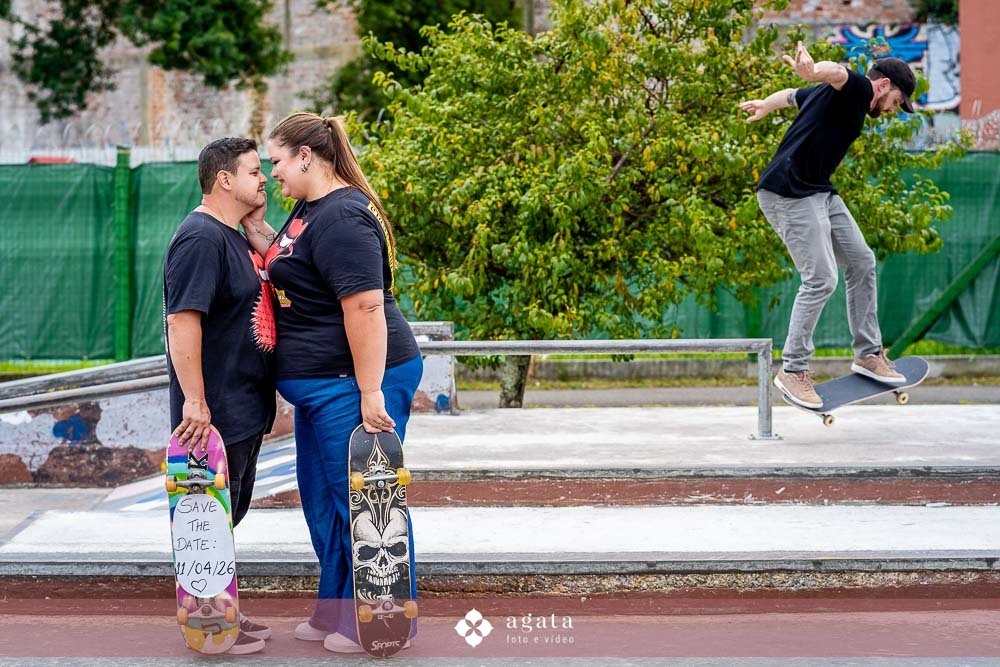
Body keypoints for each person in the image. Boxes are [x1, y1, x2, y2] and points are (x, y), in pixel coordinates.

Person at [240, 113, 422, 654]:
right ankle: (338, 606)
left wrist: (371, 393)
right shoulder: (309, 210)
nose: (271, 174)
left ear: (305, 156)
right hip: (322, 387)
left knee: (367, 503)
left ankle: (388, 621)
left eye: (275, 161)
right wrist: (254, 225)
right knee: (324, 502)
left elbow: (365, 306)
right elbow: (292, 262)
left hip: (359, 381)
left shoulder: (344, 216)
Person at [739, 42, 916, 408]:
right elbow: (837, 72)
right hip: (786, 193)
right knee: (821, 278)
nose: (893, 109)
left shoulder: (826, 96)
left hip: (818, 190)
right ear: (882, 86)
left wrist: (763, 105)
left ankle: (868, 353)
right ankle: (793, 369)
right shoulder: (859, 89)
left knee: (862, 261)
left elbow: (791, 96)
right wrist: (814, 70)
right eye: (896, 101)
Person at [163, 137, 277, 655]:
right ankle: (208, 623)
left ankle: (224, 612)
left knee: (225, 517)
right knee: (208, 520)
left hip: (244, 409)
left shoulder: (232, 235)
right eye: (255, 172)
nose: (265, 180)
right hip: (213, 416)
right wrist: (195, 402)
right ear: (224, 179)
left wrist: (256, 226)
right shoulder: (200, 239)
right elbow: (183, 321)